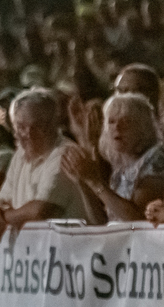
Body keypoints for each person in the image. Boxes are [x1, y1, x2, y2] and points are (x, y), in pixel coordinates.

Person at [0, 88, 87, 251]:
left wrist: (1, 218)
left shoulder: (65, 154)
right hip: (30, 257)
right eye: (20, 127)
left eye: (36, 126)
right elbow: (1, 200)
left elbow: (40, 211)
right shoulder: (20, 155)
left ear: (52, 125)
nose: (27, 134)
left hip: (65, 255)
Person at [63, 93, 164, 223]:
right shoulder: (121, 168)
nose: (117, 127)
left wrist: (94, 182)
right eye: (111, 121)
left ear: (143, 127)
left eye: (126, 121)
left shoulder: (156, 160)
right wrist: (83, 181)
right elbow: (101, 222)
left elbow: (139, 220)